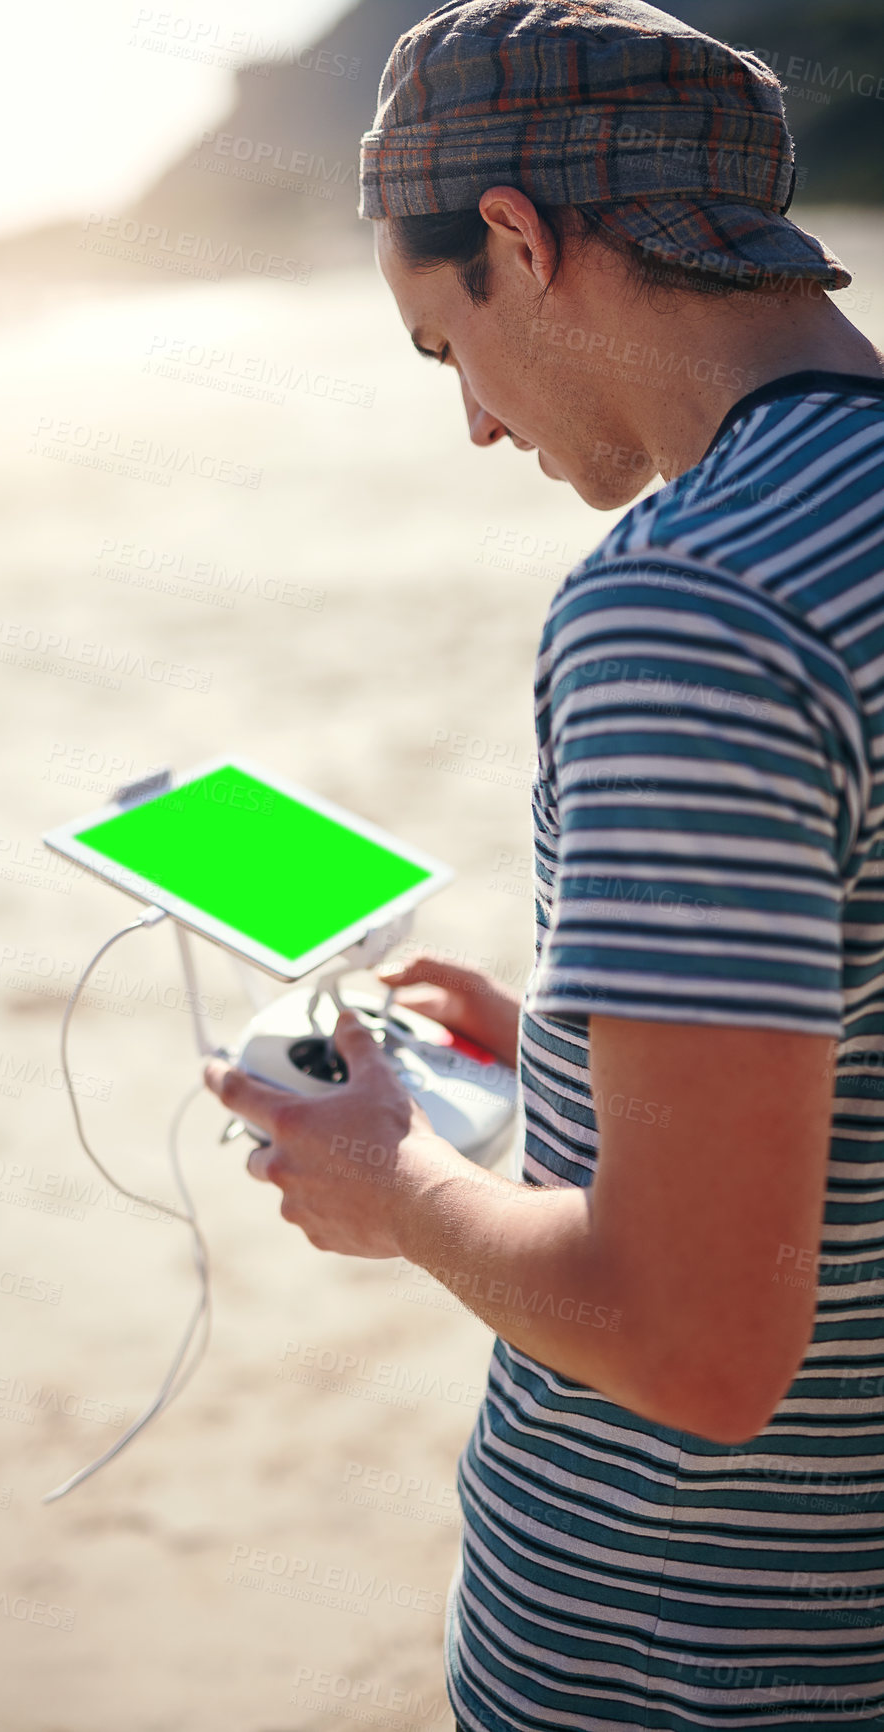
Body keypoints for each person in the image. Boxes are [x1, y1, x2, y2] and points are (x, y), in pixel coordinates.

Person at [204, 1, 884, 1726]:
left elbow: (690, 1345)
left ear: (514, 234)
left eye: (444, 347)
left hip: (706, 1654)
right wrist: (588, 1055)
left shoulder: (690, 606)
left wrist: (393, 1186)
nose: (479, 430)